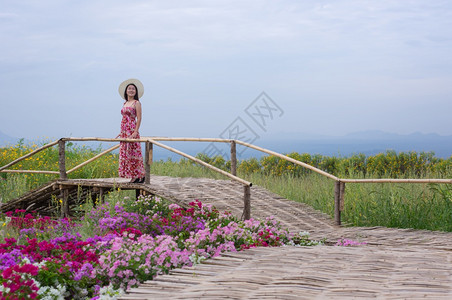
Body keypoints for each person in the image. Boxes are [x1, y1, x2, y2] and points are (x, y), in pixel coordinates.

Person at [116, 78, 145, 183]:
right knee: (126, 152)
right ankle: (132, 174)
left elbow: (139, 118)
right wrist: (121, 131)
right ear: (126, 91)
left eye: (133, 89)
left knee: (134, 152)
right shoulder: (125, 103)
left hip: (132, 129)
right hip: (124, 130)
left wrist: (135, 131)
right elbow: (124, 118)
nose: (131, 90)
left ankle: (139, 175)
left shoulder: (137, 103)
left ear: (136, 92)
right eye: (129, 89)